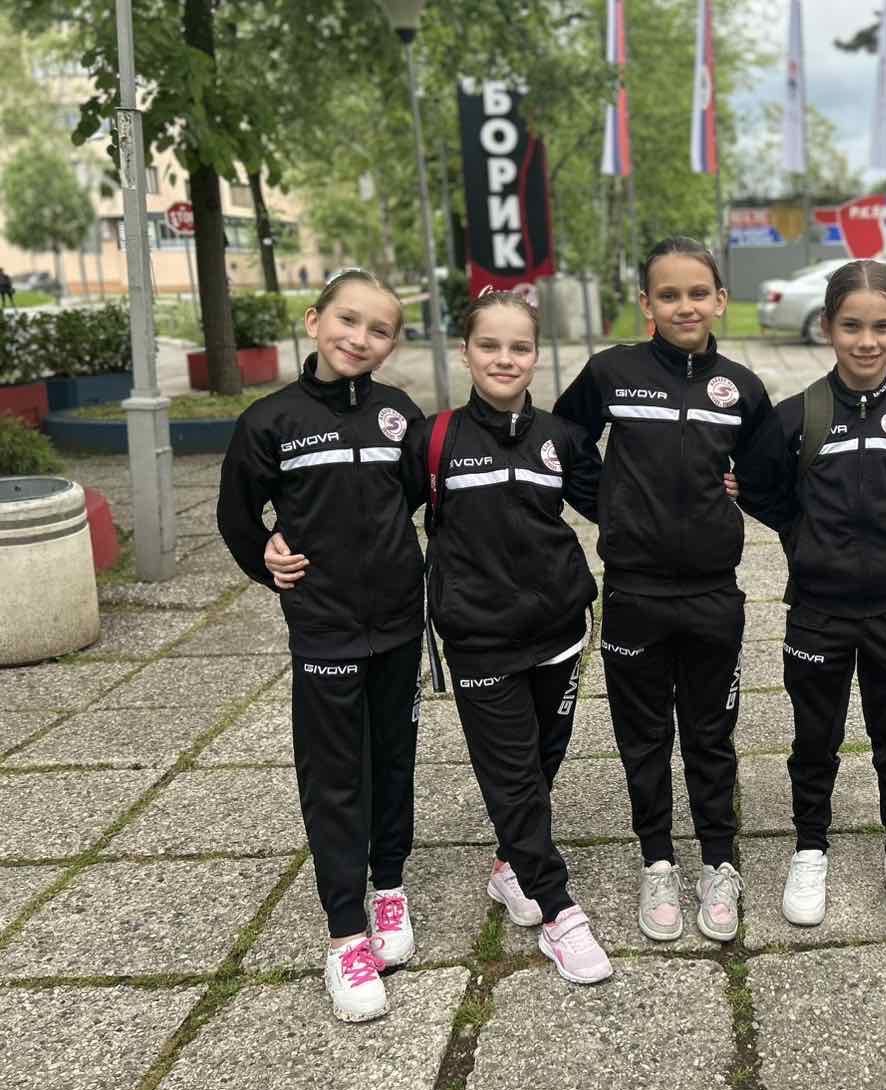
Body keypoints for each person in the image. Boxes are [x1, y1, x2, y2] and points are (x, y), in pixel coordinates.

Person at [738, 259, 886, 929]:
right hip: (817, 611)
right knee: (815, 738)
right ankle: (810, 847)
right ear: (828, 327)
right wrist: (801, 534)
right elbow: (755, 485)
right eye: (851, 327)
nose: (866, 342)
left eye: (880, 327)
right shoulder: (797, 416)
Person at [216, 268, 423, 1023]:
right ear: (314, 321)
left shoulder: (400, 414)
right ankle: (345, 934)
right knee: (335, 777)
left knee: (393, 760)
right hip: (325, 627)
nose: (359, 339)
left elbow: (414, 494)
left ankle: (389, 887)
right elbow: (238, 515)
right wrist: (266, 560)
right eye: (347, 320)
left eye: (379, 330)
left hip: (399, 622)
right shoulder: (271, 420)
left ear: (392, 343)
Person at [554, 236, 772, 944]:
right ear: (646, 303)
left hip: (713, 594)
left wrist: (744, 488)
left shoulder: (741, 387)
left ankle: (718, 862)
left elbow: (768, 469)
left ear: (720, 300)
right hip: (634, 593)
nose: (685, 306)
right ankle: (657, 861)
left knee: (711, 735)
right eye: (669, 295)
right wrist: (609, 507)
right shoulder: (611, 372)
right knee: (644, 737)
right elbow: (560, 444)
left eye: (698, 293)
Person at [407, 288, 614, 984]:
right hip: (479, 637)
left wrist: (715, 485)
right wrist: (284, 539)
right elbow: (371, 514)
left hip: (560, 630)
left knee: (543, 759)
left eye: (519, 346)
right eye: (489, 345)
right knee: (513, 773)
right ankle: (558, 911)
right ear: (465, 351)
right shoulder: (433, 439)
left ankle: (510, 865)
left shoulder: (560, 438)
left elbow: (617, 503)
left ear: (536, 354)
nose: (504, 358)